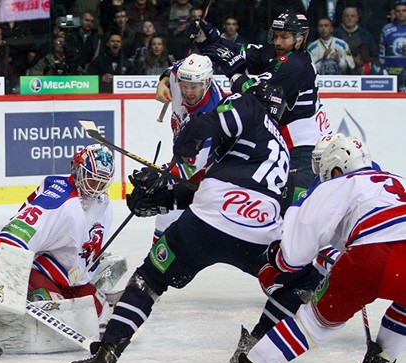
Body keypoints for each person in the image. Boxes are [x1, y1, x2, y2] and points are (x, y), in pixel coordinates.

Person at [63, 79, 290, 363]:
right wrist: (166, 198)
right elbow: (225, 186)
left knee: (150, 278)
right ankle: (254, 354)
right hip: (260, 232)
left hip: (206, 222)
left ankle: (107, 355)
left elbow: (203, 139)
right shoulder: (283, 151)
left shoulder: (247, 107)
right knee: (294, 286)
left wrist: (182, 149)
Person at [214, 135, 406, 363]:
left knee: (312, 324)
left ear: (337, 167)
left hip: (368, 258)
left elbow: (294, 255)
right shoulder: (395, 179)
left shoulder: (337, 185)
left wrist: (276, 261)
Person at [192, 11, 330, 210]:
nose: (278, 42)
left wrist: (233, 71)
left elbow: (257, 93)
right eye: (275, 36)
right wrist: (210, 36)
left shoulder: (296, 65)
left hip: (305, 151)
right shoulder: (279, 53)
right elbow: (242, 52)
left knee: (295, 210)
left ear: (299, 39)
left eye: (284, 37)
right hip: (290, 146)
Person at [0, 144, 123, 327]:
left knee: (98, 313)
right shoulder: (61, 203)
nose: (96, 188)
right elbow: (12, 237)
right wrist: (2, 283)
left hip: (64, 273)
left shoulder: (101, 203)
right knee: (53, 310)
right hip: (31, 268)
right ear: (77, 171)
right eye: (92, 181)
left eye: (102, 182)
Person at [150, 54, 226, 243]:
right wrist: (164, 80)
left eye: (194, 87)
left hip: (212, 175)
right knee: (165, 214)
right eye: (184, 85)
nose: (188, 92)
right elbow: (175, 67)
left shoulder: (212, 115)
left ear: (207, 83)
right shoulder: (185, 74)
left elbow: (187, 168)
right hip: (190, 163)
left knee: (173, 215)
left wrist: (157, 177)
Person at [333, 6, 381, 74]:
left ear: (357, 18)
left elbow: (374, 55)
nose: (349, 18)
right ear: (343, 18)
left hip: (362, 69)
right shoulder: (335, 34)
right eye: (347, 16)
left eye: (352, 16)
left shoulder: (366, 35)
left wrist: (364, 59)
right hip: (340, 68)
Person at [380, 1, 406, 91]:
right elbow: (382, 51)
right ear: (394, 13)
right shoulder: (387, 29)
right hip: (391, 71)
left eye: (404, 10)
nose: (401, 13)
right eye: (398, 11)